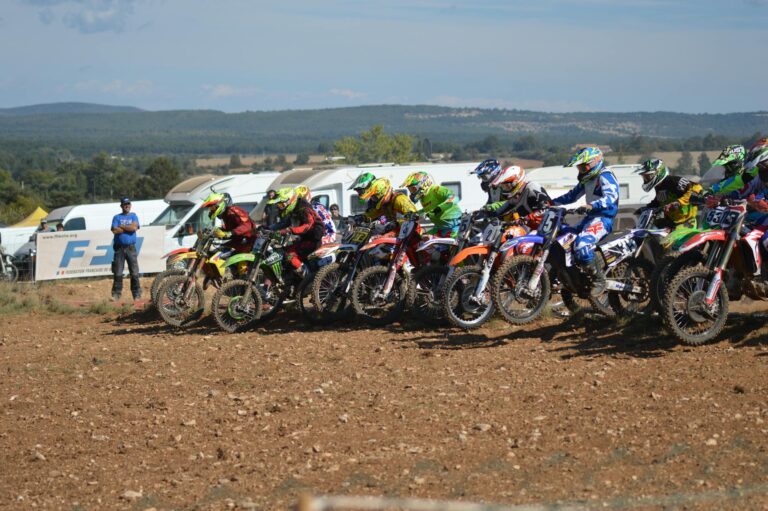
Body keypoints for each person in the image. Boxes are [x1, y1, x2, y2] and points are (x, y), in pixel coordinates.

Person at [552, 147, 620, 296]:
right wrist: (550, 203)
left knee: (582, 244)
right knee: (563, 238)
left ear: (594, 162)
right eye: (580, 167)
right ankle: (572, 277)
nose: (582, 170)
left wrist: (591, 205)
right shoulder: (587, 179)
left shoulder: (605, 175)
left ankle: (599, 279)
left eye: (584, 166)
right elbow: (571, 196)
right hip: (590, 218)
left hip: (603, 218)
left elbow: (611, 197)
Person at [267, 187, 325, 278]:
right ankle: (291, 278)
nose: (280, 208)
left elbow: (307, 226)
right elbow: (284, 223)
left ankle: (307, 278)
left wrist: (290, 230)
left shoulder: (304, 208)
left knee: (290, 256)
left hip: (313, 240)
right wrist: (268, 228)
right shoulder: (294, 209)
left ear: (290, 200)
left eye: (281, 205)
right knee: (283, 251)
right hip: (304, 239)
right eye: (278, 206)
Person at [634, 159, 703, 230]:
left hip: (686, 223)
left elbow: (696, 188)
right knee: (648, 231)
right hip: (670, 222)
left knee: (665, 238)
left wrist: (678, 202)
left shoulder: (675, 181)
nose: (646, 180)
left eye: (647, 176)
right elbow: (659, 200)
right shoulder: (659, 186)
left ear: (657, 173)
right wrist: (646, 208)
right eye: (644, 177)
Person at [483, 166, 552, 229]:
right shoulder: (515, 196)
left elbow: (546, 208)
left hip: (548, 226)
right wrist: (487, 215)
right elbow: (501, 210)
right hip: (533, 228)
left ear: (516, 181)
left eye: (507, 186)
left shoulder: (531, 187)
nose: (505, 189)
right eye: (503, 187)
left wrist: (526, 218)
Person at [401, 171, 462, 238]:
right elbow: (427, 209)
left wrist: (439, 208)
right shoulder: (423, 198)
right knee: (420, 241)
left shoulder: (436, 190)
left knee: (452, 247)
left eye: (413, 189)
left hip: (455, 227)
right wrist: (416, 213)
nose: (412, 192)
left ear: (422, 184)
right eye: (410, 190)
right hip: (439, 228)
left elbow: (454, 197)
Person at [110, 197, 141, 302]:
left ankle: (136, 295)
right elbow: (114, 230)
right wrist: (128, 227)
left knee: (134, 272)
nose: (127, 206)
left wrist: (122, 226)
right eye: (124, 204)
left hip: (130, 248)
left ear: (130, 205)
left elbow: (134, 228)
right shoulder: (116, 217)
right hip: (119, 248)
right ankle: (116, 295)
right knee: (118, 272)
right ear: (121, 206)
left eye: (128, 204)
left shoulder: (133, 216)